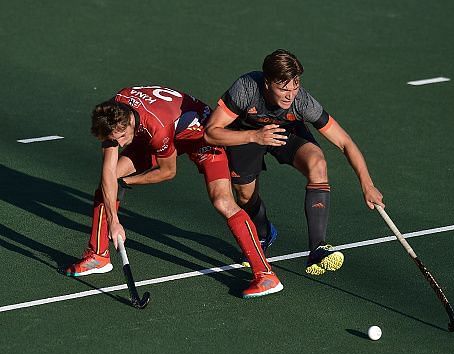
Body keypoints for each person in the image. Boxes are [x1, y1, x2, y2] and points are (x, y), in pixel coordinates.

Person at [64, 85, 283, 298]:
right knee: (106, 184)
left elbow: (167, 172)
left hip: (200, 138)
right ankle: (98, 255)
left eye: (121, 138)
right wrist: (113, 220)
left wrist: (126, 182)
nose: (120, 144)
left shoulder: (156, 127)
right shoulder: (114, 114)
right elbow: (108, 174)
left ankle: (265, 275)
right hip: (159, 133)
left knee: (222, 201)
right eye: (115, 140)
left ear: (128, 122)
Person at [205, 49, 384, 275]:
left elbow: (344, 142)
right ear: (268, 83)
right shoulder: (246, 88)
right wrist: (254, 136)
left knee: (317, 163)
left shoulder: (301, 102)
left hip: (285, 131)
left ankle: (317, 248)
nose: (290, 95)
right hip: (245, 134)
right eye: (283, 88)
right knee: (245, 196)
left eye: (295, 86)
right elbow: (211, 132)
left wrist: (366, 184)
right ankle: (263, 234)